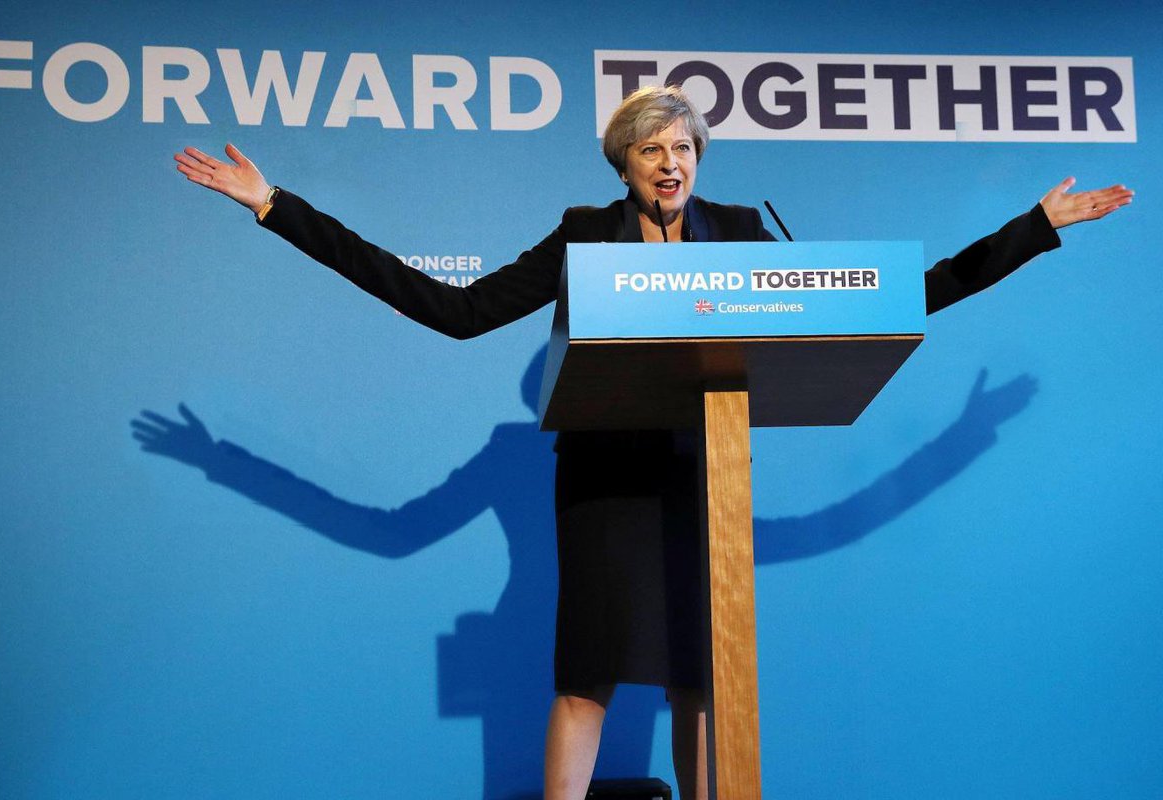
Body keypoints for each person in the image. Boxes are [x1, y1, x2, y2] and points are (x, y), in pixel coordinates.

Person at [174, 85, 1132, 800]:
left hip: (702, 474)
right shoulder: (583, 237)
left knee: (701, 679)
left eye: (684, 147)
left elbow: (884, 303)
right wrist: (277, 206)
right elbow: (451, 311)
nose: (670, 164)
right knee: (587, 675)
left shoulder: (743, 234)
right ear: (622, 164)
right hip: (603, 482)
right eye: (651, 150)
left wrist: (1033, 229)